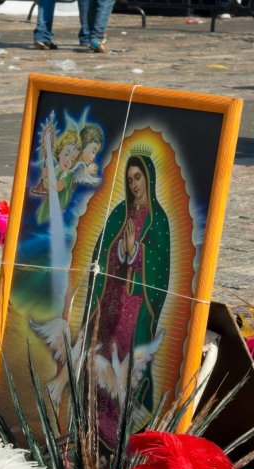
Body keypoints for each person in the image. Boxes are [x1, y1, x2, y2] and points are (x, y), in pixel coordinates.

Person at [88, 153, 170, 448]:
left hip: (136, 306)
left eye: (139, 177)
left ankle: (117, 429)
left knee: (124, 362)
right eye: (130, 178)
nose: (135, 184)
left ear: (149, 178)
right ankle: (93, 422)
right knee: (101, 357)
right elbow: (102, 252)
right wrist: (119, 252)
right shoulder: (120, 213)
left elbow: (161, 267)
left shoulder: (158, 219)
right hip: (111, 300)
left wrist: (138, 252)